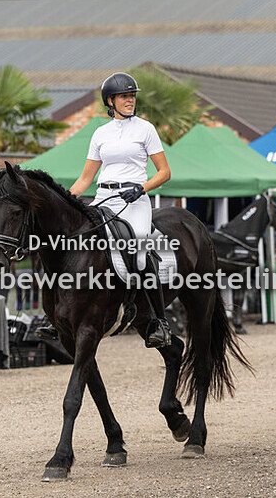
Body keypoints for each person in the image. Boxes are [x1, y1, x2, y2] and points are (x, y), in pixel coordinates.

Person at [35, 72, 173, 348]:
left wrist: (142, 188)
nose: (130, 100)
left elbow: (165, 172)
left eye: (132, 96)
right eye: (124, 96)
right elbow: (86, 178)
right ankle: (54, 317)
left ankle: (160, 322)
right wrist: (65, 201)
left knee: (142, 252)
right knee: (68, 244)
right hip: (103, 197)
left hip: (134, 200)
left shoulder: (146, 129)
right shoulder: (100, 133)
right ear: (110, 100)